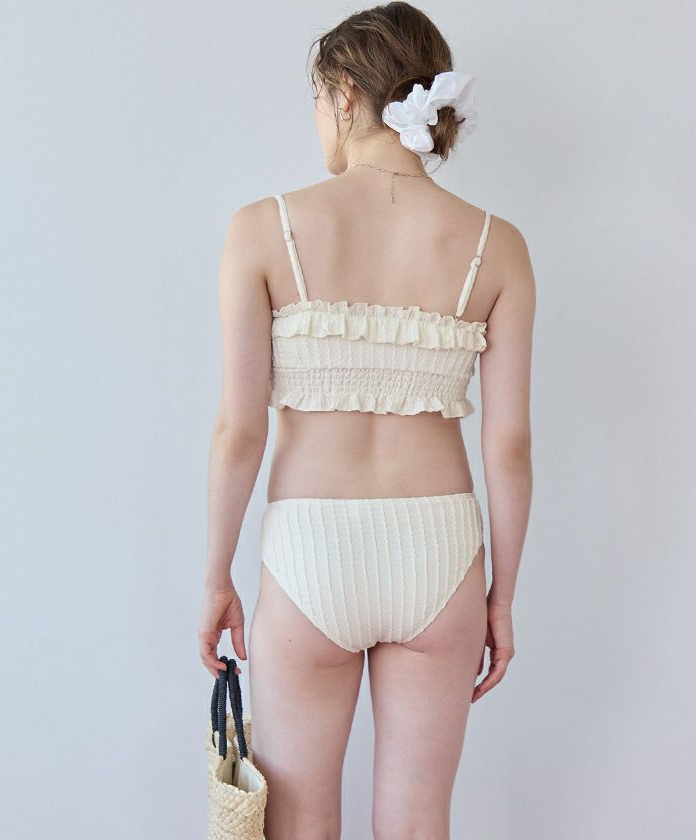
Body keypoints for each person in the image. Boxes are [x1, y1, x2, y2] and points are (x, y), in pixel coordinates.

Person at [199, 3, 535, 838]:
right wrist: (501, 597)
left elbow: (239, 431)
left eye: (318, 99)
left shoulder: (262, 229)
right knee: (417, 823)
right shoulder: (497, 245)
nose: (317, 117)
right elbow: (508, 446)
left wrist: (216, 579)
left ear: (346, 93)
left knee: (299, 822)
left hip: (310, 549)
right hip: (441, 551)